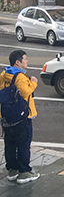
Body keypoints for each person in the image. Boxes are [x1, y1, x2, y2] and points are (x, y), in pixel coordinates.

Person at [1, 50, 39, 184]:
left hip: (7, 116)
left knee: (10, 143)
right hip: (22, 116)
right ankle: (25, 172)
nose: (27, 61)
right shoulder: (20, 77)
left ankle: (12, 170)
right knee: (23, 143)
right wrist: (33, 83)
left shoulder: (4, 75)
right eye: (25, 59)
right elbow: (25, 92)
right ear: (18, 62)